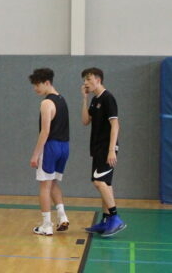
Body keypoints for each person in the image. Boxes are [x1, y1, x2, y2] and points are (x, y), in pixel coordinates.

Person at [80, 68, 126, 237]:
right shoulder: (95, 99)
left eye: (89, 79)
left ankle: (115, 218)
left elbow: (115, 125)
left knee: (99, 182)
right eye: (85, 80)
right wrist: (85, 98)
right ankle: (106, 221)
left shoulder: (108, 98)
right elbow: (85, 121)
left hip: (107, 148)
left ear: (98, 80)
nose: (86, 83)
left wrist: (111, 150)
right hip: (97, 147)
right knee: (104, 183)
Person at [28, 68, 70, 236]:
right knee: (52, 183)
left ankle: (46, 225)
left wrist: (35, 154)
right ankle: (62, 216)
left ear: (47, 82)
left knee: (44, 186)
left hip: (51, 147)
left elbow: (45, 132)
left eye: (37, 85)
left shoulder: (46, 103)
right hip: (64, 146)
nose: (35, 89)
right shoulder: (62, 100)